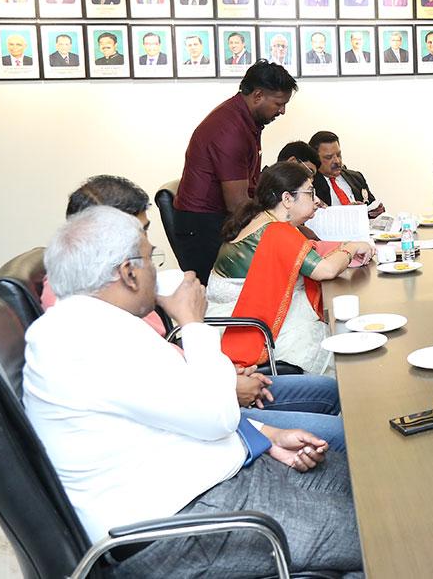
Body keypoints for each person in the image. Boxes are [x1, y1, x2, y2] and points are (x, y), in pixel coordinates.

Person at [24, 207, 363, 578]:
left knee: (366, 483)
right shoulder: (91, 342)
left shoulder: (92, 323)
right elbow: (217, 415)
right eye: (150, 259)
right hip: (186, 525)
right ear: (128, 273)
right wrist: (193, 323)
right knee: (380, 531)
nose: (156, 271)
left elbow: (185, 408)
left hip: (216, 481)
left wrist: (263, 438)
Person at [43, 175, 346, 449]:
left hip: (207, 392)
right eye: (141, 234)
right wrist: (203, 343)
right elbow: (207, 416)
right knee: (344, 436)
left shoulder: (115, 291)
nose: (148, 246)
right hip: (208, 424)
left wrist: (225, 373)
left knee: (332, 393)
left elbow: (169, 370)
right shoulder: (84, 317)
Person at [208, 162, 371, 376]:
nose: (316, 201)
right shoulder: (276, 230)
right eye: (310, 193)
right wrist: (352, 247)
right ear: (287, 199)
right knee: (336, 336)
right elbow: (326, 270)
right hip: (245, 325)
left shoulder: (260, 218)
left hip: (231, 317)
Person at [174, 62, 297, 283]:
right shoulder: (230, 130)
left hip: (216, 220)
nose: (282, 111)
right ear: (258, 95)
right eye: (279, 104)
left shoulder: (246, 118)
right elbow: (238, 204)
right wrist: (281, 223)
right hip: (203, 228)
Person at [310, 130, 384, 216]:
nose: (337, 161)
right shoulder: (310, 184)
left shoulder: (356, 178)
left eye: (338, 155)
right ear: (315, 158)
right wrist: (347, 212)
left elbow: (371, 205)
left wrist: (377, 211)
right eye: (329, 157)